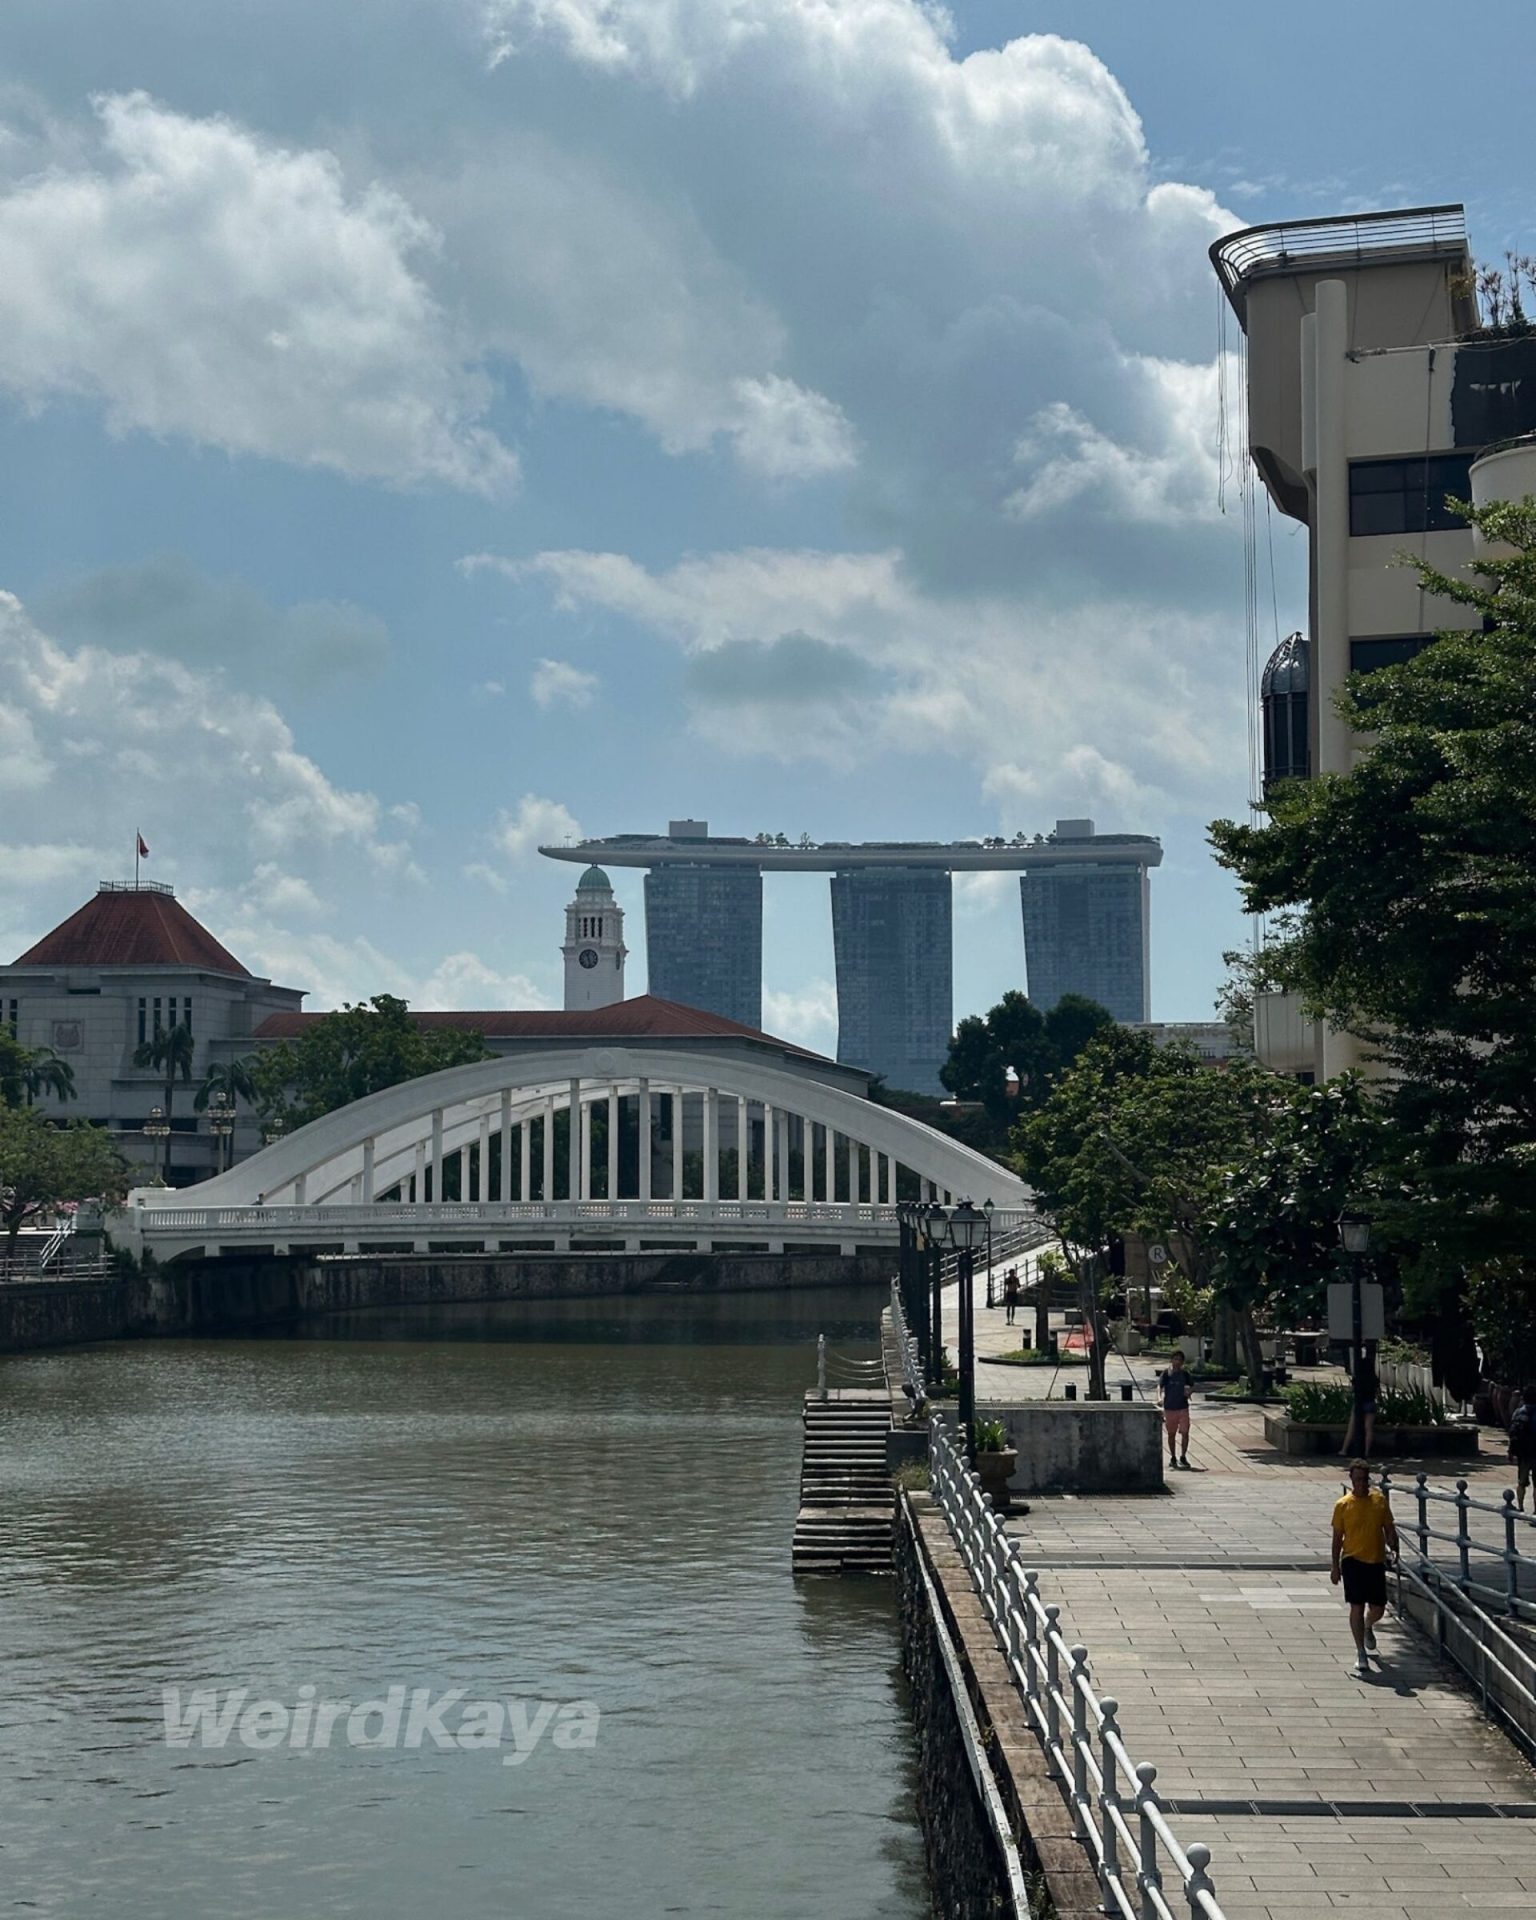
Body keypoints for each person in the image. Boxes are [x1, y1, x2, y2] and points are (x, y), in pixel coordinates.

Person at [1331, 1459, 1398, 1676]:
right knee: (1356, 1606)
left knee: (1378, 1607)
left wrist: (1393, 1547)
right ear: (1351, 1479)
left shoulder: (1379, 1500)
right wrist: (1335, 1566)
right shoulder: (1343, 1505)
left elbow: (1389, 1528)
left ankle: (1369, 1624)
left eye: (1364, 1479)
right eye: (1357, 1479)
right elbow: (1337, 1538)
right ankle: (1360, 1652)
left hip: (1376, 1561)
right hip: (1352, 1560)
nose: (1361, 1483)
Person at [1341, 1345, 1378, 1458]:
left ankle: (1344, 1449)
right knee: (1368, 1428)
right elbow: (1377, 1392)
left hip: (1359, 1403)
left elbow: (1353, 1390)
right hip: (1370, 1403)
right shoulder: (1373, 1378)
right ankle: (1366, 1451)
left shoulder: (1358, 1378)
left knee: (1352, 1427)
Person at [1159, 1350, 1192, 1469]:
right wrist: (1159, 1398)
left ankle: (1183, 1456)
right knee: (1171, 1434)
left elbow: (1191, 1386)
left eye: (1180, 1360)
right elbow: (1160, 1386)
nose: (1177, 1362)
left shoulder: (1185, 1374)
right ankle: (1173, 1456)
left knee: (1185, 1432)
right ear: (1171, 1360)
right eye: (1175, 1359)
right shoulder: (1166, 1374)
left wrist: (1189, 1392)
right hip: (1169, 1408)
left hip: (1183, 1407)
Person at [1509, 1384, 1536, 1511]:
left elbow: (1512, 1432)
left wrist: (1511, 1451)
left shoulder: (1518, 1412)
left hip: (1523, 1453)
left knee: (1521, 1482)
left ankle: (1520, 1507)